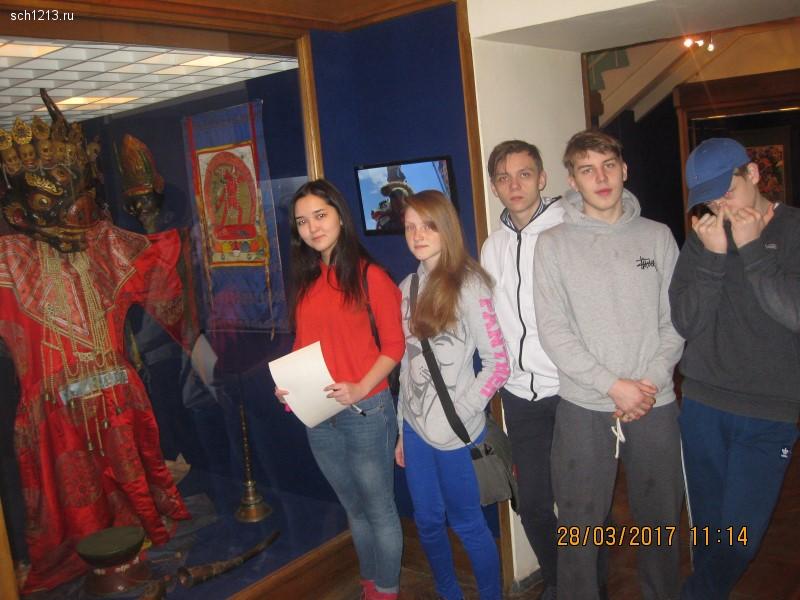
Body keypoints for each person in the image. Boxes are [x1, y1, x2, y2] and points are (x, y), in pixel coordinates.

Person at [533, 130, 684, 600]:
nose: (600, 178)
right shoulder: (553, 244)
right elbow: (554, 331)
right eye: (587, 169)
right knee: (579, 528)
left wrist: (647, 384)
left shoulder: (657, 236)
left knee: (661, 522)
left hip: (654, 402)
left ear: (624, 170)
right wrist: (613, 386)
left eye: (609, 166)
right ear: (572, 180)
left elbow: (676, 321)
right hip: (584, 405)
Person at [669, 138, 799, 599]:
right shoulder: (703, 238)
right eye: (709, 198)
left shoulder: (794, 230)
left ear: (754, 174)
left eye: (727, 191)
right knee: (709, 534)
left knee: (740, 539)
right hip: (703, 405)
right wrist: (713, 257)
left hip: (769, 413)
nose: (720, 206)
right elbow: (685, 322)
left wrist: (753, 250)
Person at [275, 179, 404, 600]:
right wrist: (288, 386)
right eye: (302, 222)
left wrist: (360, 386)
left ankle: (386, 591)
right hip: (320, 415)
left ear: (340, 217)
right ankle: (370, 585)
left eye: (320, 215)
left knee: (379, 509)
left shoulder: (371, 276)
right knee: (355, 509)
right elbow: (302, 346)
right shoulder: (307, 282)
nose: (312, 228)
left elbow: (394, 346)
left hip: (366, 411)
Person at [395, 190, 510, 600]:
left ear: (446, 228)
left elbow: (498, 363)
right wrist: (401, 429)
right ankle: (448, 594)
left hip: (457, 432)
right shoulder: (406, 287)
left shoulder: (470, 285)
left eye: (427, 225)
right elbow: (407, 365)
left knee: (467, 524)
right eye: (410, 227)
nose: (417, 235)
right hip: (415, 429)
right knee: (427, 522)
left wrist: (458, 414)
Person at [479, 140, 563, 599]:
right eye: (504, 178)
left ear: (542, 178)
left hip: (571, 392)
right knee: (531, 504)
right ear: (494, 187)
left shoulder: (568, 232)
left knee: (583, 505)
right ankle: (559, 581)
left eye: (524, 174)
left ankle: (592, 587)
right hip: (519, 396)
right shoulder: (492, 247)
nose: (514, 185)